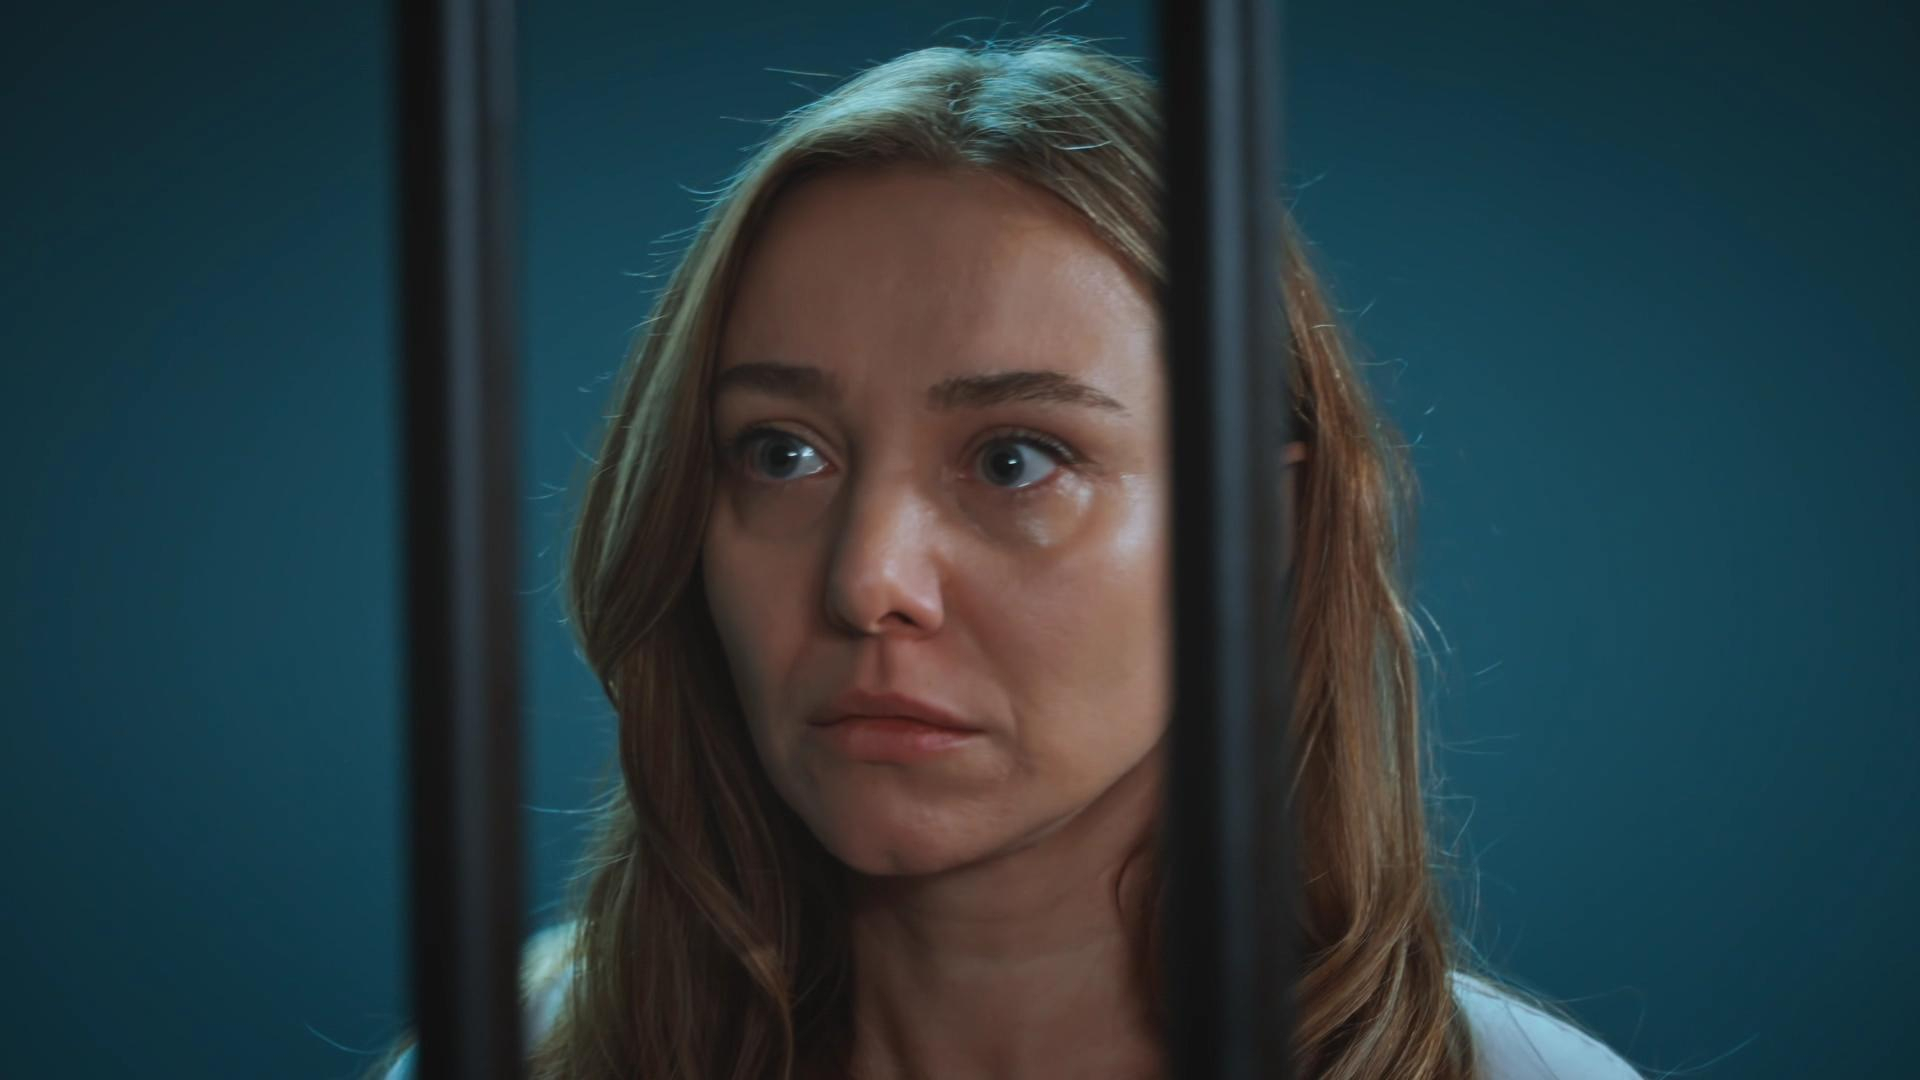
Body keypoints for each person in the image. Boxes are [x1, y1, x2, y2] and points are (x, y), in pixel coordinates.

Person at [372, 36, 1643, 1080]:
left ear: (1264, 525)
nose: (868, 581)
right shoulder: (517, 1054)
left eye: (1016, 460)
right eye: (780, 453)